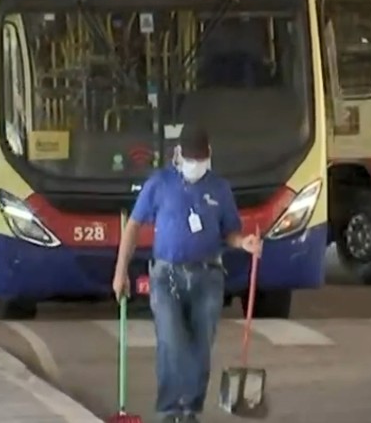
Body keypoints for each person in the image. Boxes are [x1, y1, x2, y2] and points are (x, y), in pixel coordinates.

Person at [112, 126, 262, 423]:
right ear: (178, 154)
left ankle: (190, 410)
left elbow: (230, 232)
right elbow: (133, 226)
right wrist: (121, 272)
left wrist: (243, 243)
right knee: (171, 341)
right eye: (191, 159)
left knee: (201, 346)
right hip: (166, 276)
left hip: (208, 275)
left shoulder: (220, 188)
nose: (196, 164)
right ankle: (170, 410)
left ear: (210, 155)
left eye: (201, 159)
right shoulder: (159, 183)